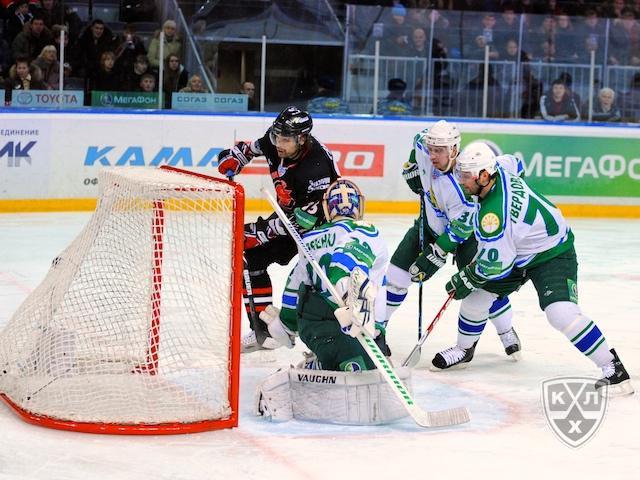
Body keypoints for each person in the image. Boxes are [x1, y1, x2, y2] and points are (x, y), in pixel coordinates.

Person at [433, 141, 634, 397]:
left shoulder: (494, 217)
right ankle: (464, 349)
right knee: (477, 298)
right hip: (519, 249)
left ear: (484, 176)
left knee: (561, 313)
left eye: (465, 177)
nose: (461, 181)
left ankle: (612, 368)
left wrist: (466, 277)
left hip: (551, 254)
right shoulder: (501, 168)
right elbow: (517, 162)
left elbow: (497, 264)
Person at [387, 120, 520, 364]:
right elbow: (418, 141)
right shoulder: (423, 145)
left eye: (440, 150)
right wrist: (412, 167)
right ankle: (377, 330)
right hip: (428, 225)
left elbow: (460, 229)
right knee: (396, 275)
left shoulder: (464, 182)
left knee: (482, 289)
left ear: (454, 150)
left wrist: (436, 254)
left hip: (465, 237)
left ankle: (505, 331)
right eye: (431, 149)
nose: (433, 155)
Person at [216, 106, 339, 352]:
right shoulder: (278, 139)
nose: (278, 143)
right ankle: (263, 331)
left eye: (284, 139)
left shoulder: (316, 167)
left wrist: (261, 231)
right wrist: (238, 156)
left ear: (302, 139)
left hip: (320, 230)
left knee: (316, 285)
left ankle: (329, 339)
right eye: (276, 136)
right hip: (289, 217)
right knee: (250, 259)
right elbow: (254, 147)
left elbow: (303, 220)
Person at [259, 178, 389, 371]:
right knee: (366, 367)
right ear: (359, 205)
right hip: (351, 325)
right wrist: (344, 287)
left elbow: (294, 286)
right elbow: (348, 254)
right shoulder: (367, 230)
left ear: (328, 208)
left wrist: (286, 323)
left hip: (313, 329)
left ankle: (321, 362)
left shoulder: (309, 238)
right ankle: (331, 363)